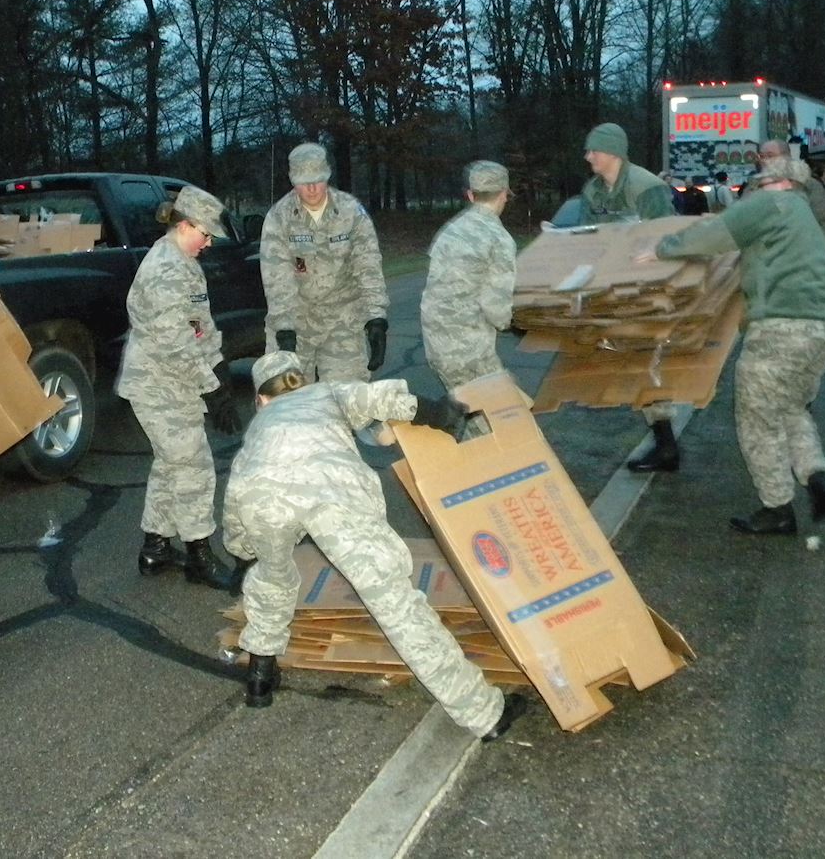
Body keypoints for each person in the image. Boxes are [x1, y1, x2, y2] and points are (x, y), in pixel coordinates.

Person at [222, 351, 529, 741]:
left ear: (260, 399)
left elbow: (235, 508)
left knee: (271, 577)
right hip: (332, 490)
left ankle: (260, 678)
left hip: (260, 494)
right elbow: (382, 398)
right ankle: (486, 714)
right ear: (301, 380)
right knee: (395, 603)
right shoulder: (325, 394)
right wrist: (437, 414)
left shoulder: (258, 429)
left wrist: (243, 553)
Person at [639, 158, 825, 536]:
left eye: (760, 182)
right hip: (823, 330)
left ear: (779, 182)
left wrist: (664, 248)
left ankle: (777, 508)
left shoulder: (773, 205)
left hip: (781, 330)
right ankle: (817, 478)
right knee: (790, 410)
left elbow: (716, 233)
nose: (755, 188)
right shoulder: (801, 216)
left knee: (756, 421)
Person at [117, 185, 243, 589]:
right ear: (185, 224)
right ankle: (199, 556)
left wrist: (219, 365)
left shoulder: (184, 262)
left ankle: (155, 548)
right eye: (204, 234)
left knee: (172, 463)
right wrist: (213, 389)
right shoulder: (165, 270)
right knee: (194, 467)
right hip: (159, 385)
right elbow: (175, 345)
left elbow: (199, 326)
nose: (208, 243)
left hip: (174, 381)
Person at [579, 122, 681, 473]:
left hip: (649, 288)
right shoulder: (593, 191)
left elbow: (668, 237)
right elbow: (589, 237)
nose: (588, 156)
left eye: (593, 150)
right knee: (633, 364)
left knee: (648, 363)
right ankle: (664, 441)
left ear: (612, 152)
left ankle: (666, 446)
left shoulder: (647, 187)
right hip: (613, 287)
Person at [260, 142, 389, 382]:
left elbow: (368, 264)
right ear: (292, 180)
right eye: (303, 182)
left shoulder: (351, 211)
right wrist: (285, 328)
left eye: (317, 180)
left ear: (327, 175)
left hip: (343, 319)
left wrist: (376, 318)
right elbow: (276, 277)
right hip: (297, 320)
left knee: (348, 401)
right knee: (289, 403)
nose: (311, 188)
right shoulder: (278, 217)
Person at [419, 161, 517, 391]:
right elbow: (499, 312)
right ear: (504, 194)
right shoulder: (499, 239)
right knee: (502, 418)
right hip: (469, 353)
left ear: (471, 195)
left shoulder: (450, 231)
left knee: (470, 414)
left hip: (437, 345)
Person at [746, 139, 825, 255]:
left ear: (787, 157)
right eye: (761, 156)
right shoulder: (754, 187)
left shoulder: (808, 185)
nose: (764, 161)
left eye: (770, 156)